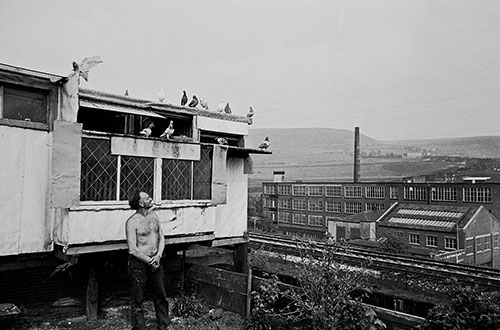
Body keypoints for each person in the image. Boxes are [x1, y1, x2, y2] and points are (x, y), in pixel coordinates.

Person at [126, 189, 171, 330]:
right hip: (139, 264)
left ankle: (164, 325)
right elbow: (132, 249)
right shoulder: (132, 222)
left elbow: (161, 237)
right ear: (140, 202)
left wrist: (158, 256)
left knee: (161, 295)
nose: (151, 199)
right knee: (137, 300)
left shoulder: (154, 216)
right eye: (147, 198)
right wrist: (149, 260)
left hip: (156, 261)